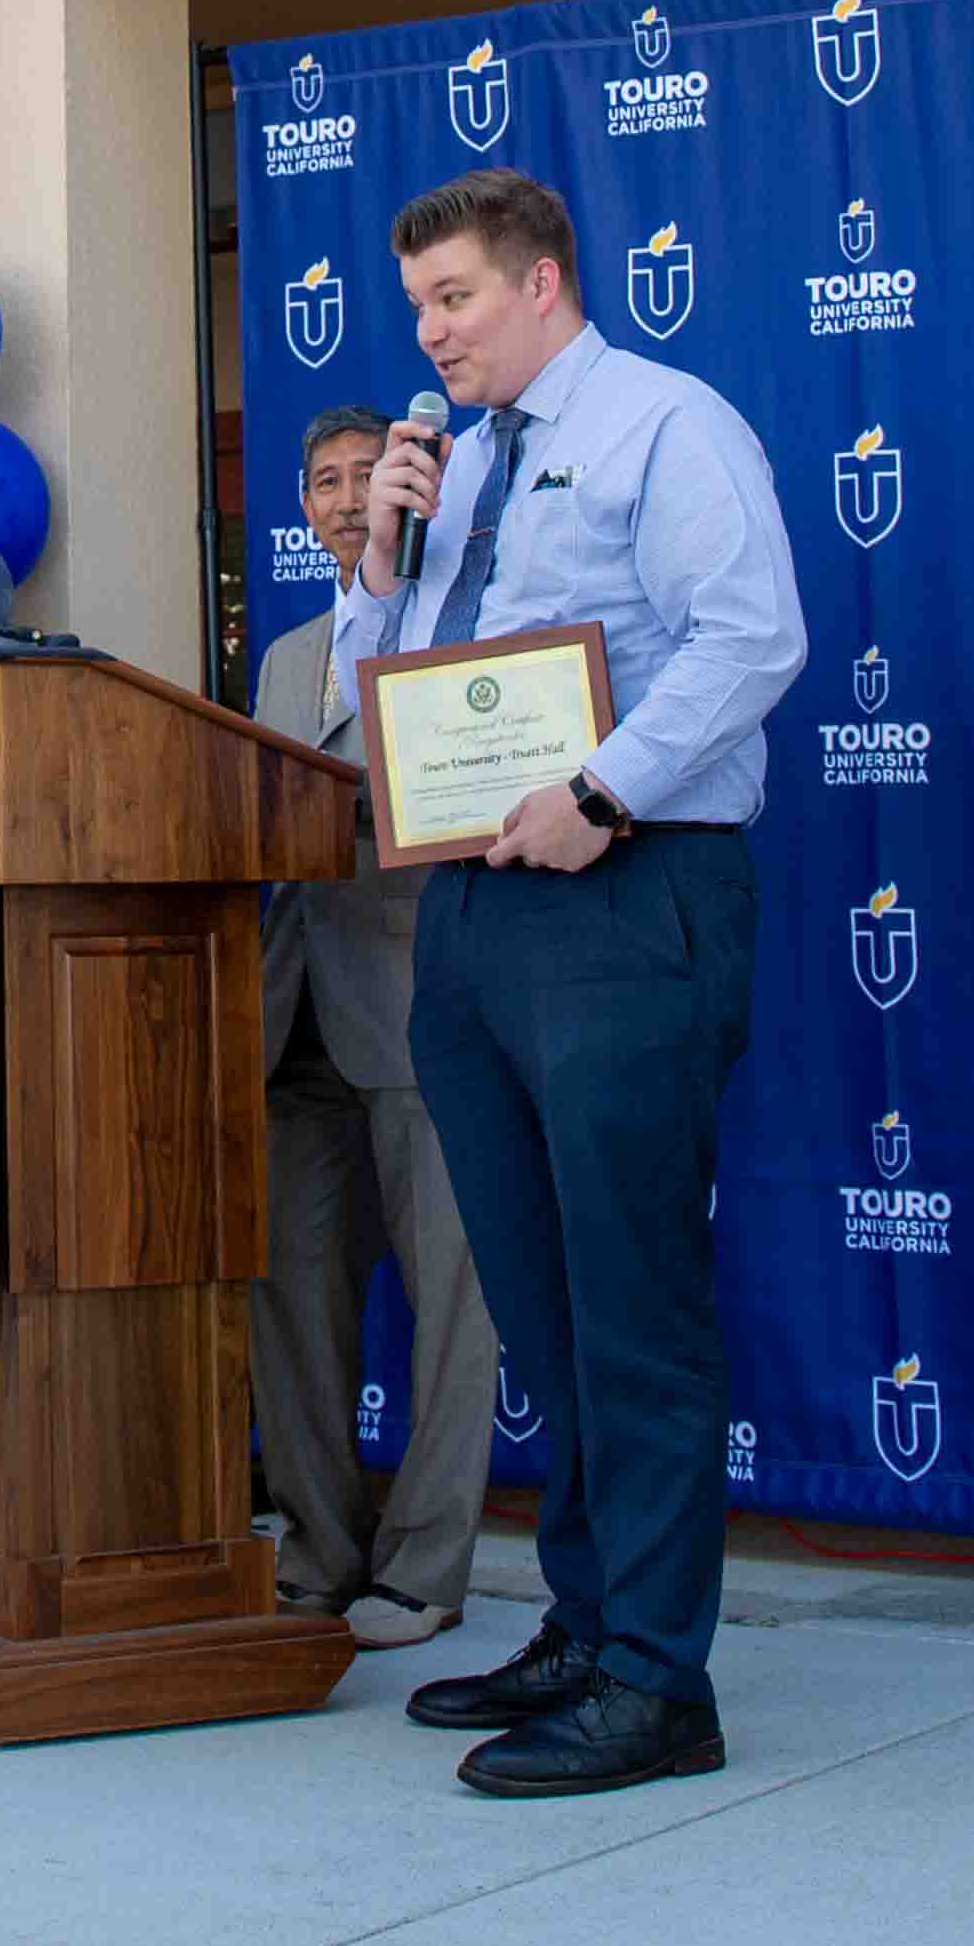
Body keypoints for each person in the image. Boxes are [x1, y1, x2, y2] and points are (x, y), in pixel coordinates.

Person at [332, 168, 802, 1796]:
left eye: (452, 297)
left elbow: (749, 636)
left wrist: (603, 790)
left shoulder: (672, 426)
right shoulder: (450, 468)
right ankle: (590, 1623)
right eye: (415, 308)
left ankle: (660, 1680)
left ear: (542, 283)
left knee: (632, 1300)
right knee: (538, 1298)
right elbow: (382, 696)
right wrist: (374, 561)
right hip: (471, 912)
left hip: (627, 889)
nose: (430, 333)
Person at [245, 401, 498, 1653]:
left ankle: (428, 1564)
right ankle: (317, 1550)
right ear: (302, 507)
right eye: (325, 480)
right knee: (289, 1296)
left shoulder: (469, 622)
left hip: (417, 1005)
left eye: (368, 477)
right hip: (288, 1014)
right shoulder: (286, 652)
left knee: (456, 1302)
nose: (348, 499)